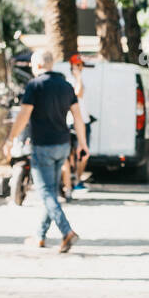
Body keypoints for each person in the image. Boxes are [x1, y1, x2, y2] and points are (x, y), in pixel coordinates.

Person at [3, 48, 88, 252]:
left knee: (45, 193)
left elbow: (24, 115)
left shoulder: (35, 85)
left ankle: (66, 231)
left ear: (38, 65)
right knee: (50, 192)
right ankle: (40, 236)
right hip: (63, 146)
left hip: (43, 146)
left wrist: (10, 138)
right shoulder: (66, 86)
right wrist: (83, 144)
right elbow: (77, 117)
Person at [63, 54, 89, 195]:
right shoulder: (70, 81)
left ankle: (77, 180)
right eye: (77, 65)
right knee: (71, 154)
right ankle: (69, 183)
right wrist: (78, 77)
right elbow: (78, 94)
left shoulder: (81, 80)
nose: (80, 67)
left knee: (83, 153)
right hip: (72, 122)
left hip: (84, 120)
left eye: (81, 65)